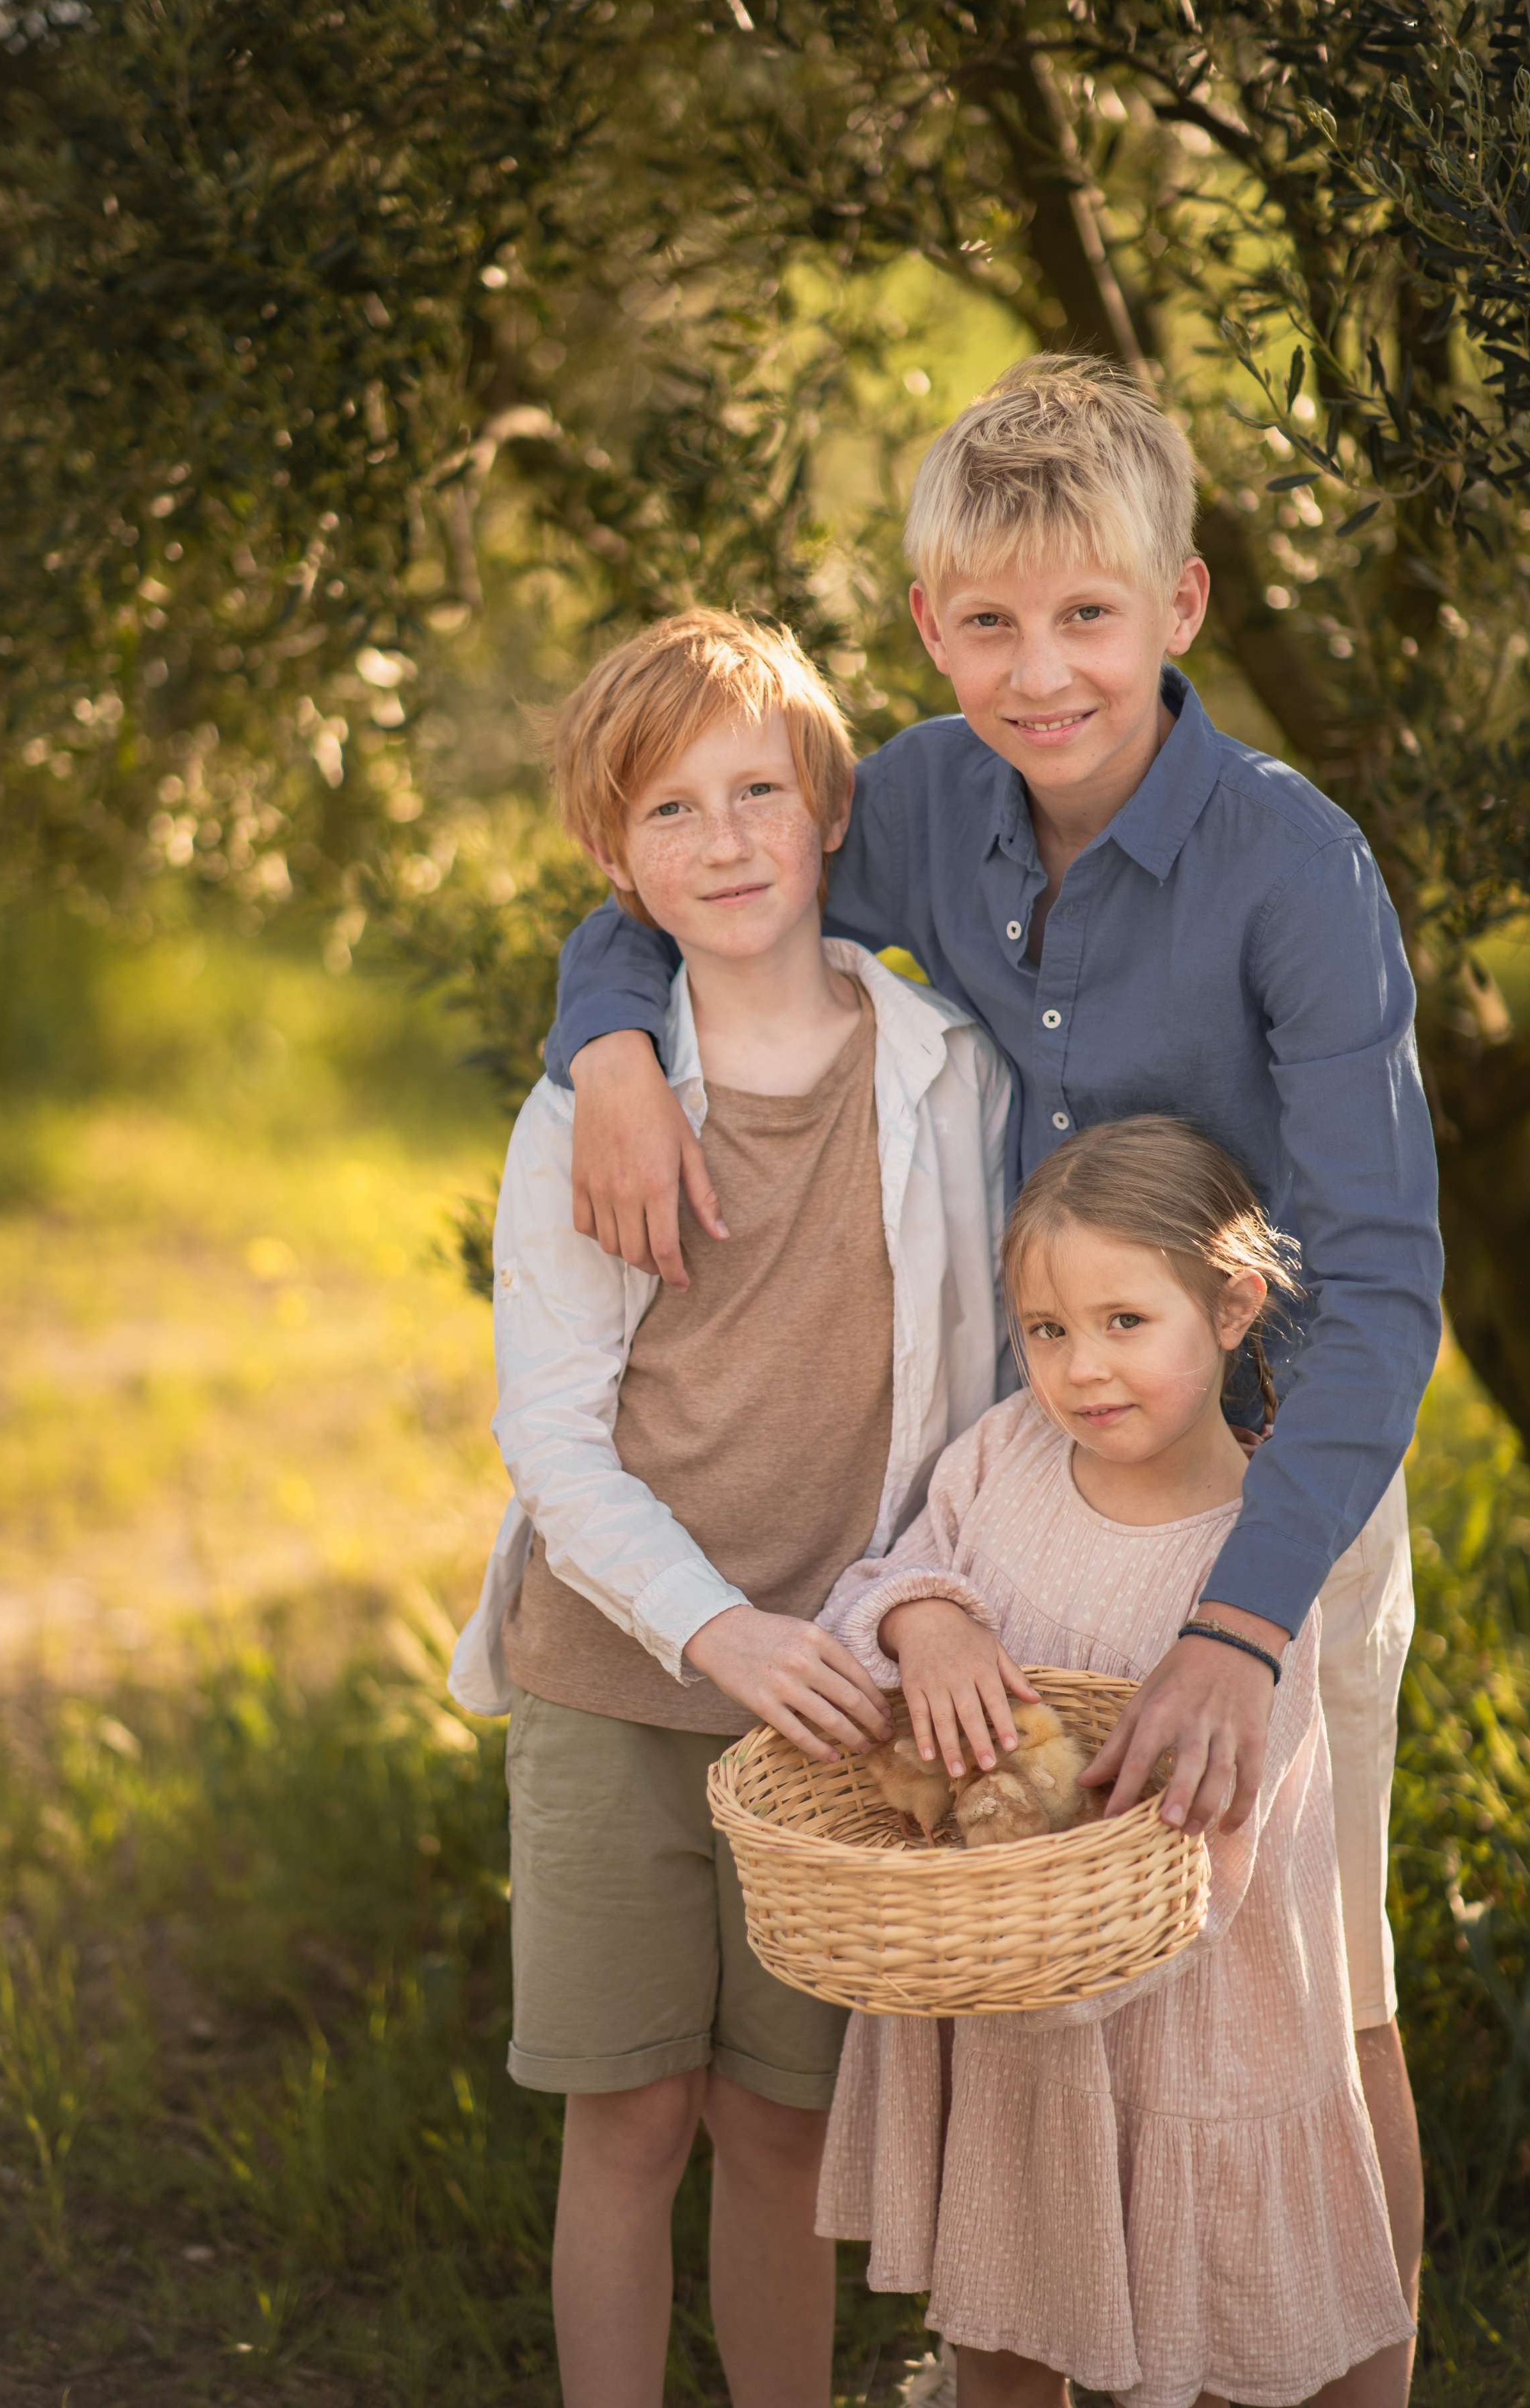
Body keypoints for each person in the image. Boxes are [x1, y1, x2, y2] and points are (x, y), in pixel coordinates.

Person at [542, 358, 1441, 2345]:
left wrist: (1242, 1628)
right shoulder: (931, 795)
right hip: (1029, 1505)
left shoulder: (1292, 869)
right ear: (932, 627)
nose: (1042, 675)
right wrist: (605, 1039)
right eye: (990, 625)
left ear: (1180, 608)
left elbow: (1381, 1284)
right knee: (1032, 1996)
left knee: (1318, 1988)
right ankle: (1051, 2360)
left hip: (1270, 1503)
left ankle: (1342, 2368)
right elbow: (694, 874)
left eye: (1089, 619)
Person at [447, 609, 1011, 2408]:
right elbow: (556, 1439)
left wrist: (903, 1608)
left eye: (757, 790)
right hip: (620, 1682)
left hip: (836, 1697)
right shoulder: (590, 1110)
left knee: (786, 2132)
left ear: (829, 806)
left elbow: (981, 1402)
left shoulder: (946, 1073)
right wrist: (716, 1631)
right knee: (628, 2119)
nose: (724, 839)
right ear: (612, 864)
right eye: (669, 813)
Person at [815, 1116, 1417, 2408]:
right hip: (1005, 2024)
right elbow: (886, 1575)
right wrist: (926, 1619)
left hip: (1173, 2023)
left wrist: (1049, 1963)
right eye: (1045, 1329)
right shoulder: (1001, 1459)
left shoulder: (1258, 1564)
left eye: (1123, 1322)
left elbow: (1224, 1846)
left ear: (1232, 1306)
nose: (1079, 1368)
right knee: (1001, 2333)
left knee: (1192, 2341)